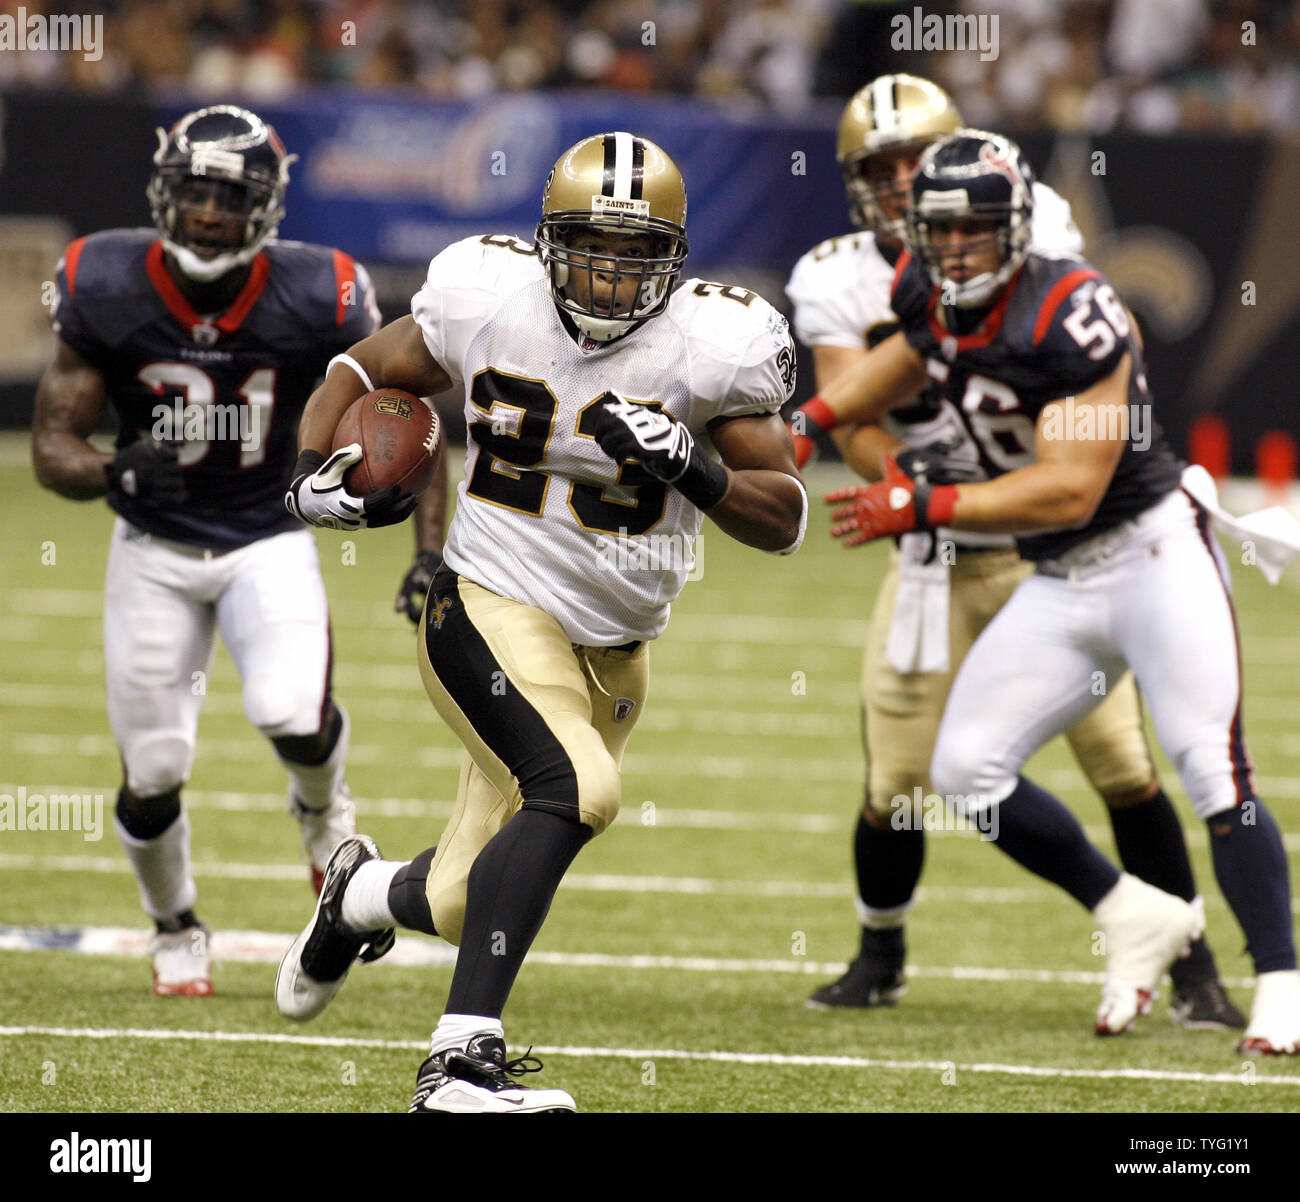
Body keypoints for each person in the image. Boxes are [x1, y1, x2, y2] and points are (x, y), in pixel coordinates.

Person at [274, 132, 805, 1111]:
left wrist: (690, 460)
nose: (607, 277)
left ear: (676, 262)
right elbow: (364, 362)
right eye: (588, 248)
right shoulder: (486, 296)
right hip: (483, 601)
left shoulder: (713, 346)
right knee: (576, 785)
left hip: (611, 647)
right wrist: (311, 466)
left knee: (458, 896)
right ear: (546, 242)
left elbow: (784, 518)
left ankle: (352, 896)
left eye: (634, 255)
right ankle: (460, 1062)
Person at [791, 128, 1300, 1053]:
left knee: (1209, 769)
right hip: (1059, 574)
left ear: (1018, 229)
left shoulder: (1074, 310)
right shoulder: (928, 288)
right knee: (961, 769)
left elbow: (1072, 484)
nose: (951, 250)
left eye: (970, 231)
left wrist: (924, 504)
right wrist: (819, 416)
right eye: (936, 231)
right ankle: (1132, 911)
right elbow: (916, 347)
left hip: (1150, 556)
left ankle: (1282, 983)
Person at [31, 105, 387, 997]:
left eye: (229, 198)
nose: (208, 214)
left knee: (292, 717)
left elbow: (396, 409)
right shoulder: (103, 277)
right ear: (165, 191)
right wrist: (117, 475)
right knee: (151, 771)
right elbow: (50, 446)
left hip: (267, 534)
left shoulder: (323, 289)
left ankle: (326, 826)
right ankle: (176, 927)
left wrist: (421, 542)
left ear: (264, 207)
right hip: (153, 546)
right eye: (195, 193)